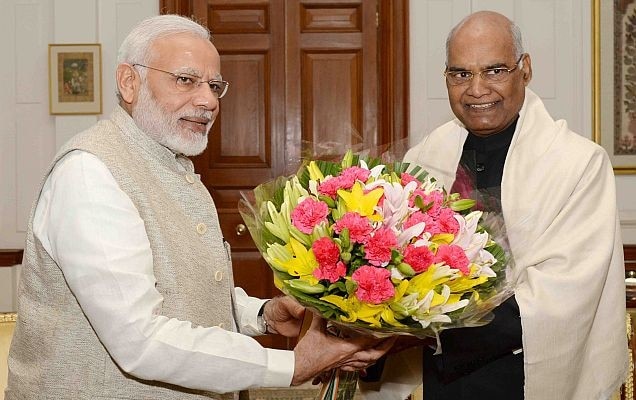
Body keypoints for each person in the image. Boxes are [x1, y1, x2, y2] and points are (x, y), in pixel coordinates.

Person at [5, 14, 394, 400]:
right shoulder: (90, 173)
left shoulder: (173, 164)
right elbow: (140, 339)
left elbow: (181, 294)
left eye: (214, 85)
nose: (208, 100)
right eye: (186, 80)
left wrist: (261, 316)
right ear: (129, 82)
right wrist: (290, 366)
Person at [359, 11, 628, 400]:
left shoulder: (578, 163)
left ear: (526, 70)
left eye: (495, 70)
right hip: (439, 376)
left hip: (524, 370)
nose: (477, 89)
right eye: (461, 74)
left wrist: (431, 335)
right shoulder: (425, 157)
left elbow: (564, 291)